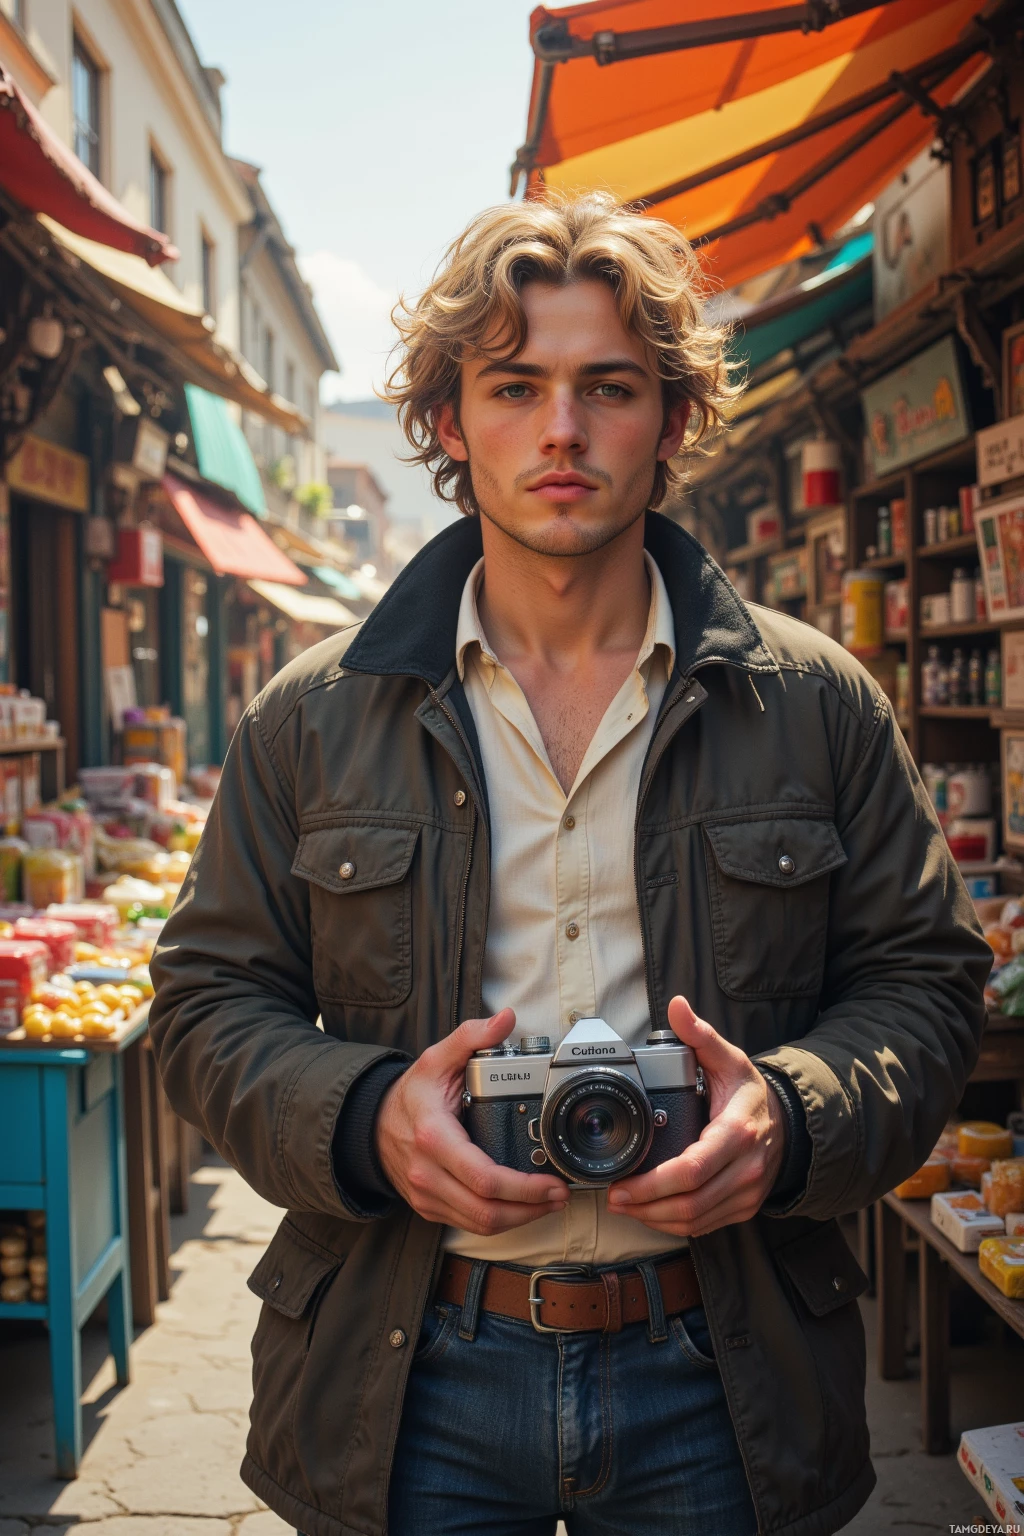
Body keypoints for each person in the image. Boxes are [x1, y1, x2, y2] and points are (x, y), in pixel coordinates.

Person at [150, 192, 989, 1536]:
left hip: (724, 1377)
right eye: (513, 384)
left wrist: (793, 1113)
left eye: (608, 386)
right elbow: (201, 1005)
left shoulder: (816, 702)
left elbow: (931, 985)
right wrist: (365, 1119)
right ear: (446, 422)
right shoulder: (312, 716)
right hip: (406, 1376)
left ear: (670, 420)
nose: (560, 430)